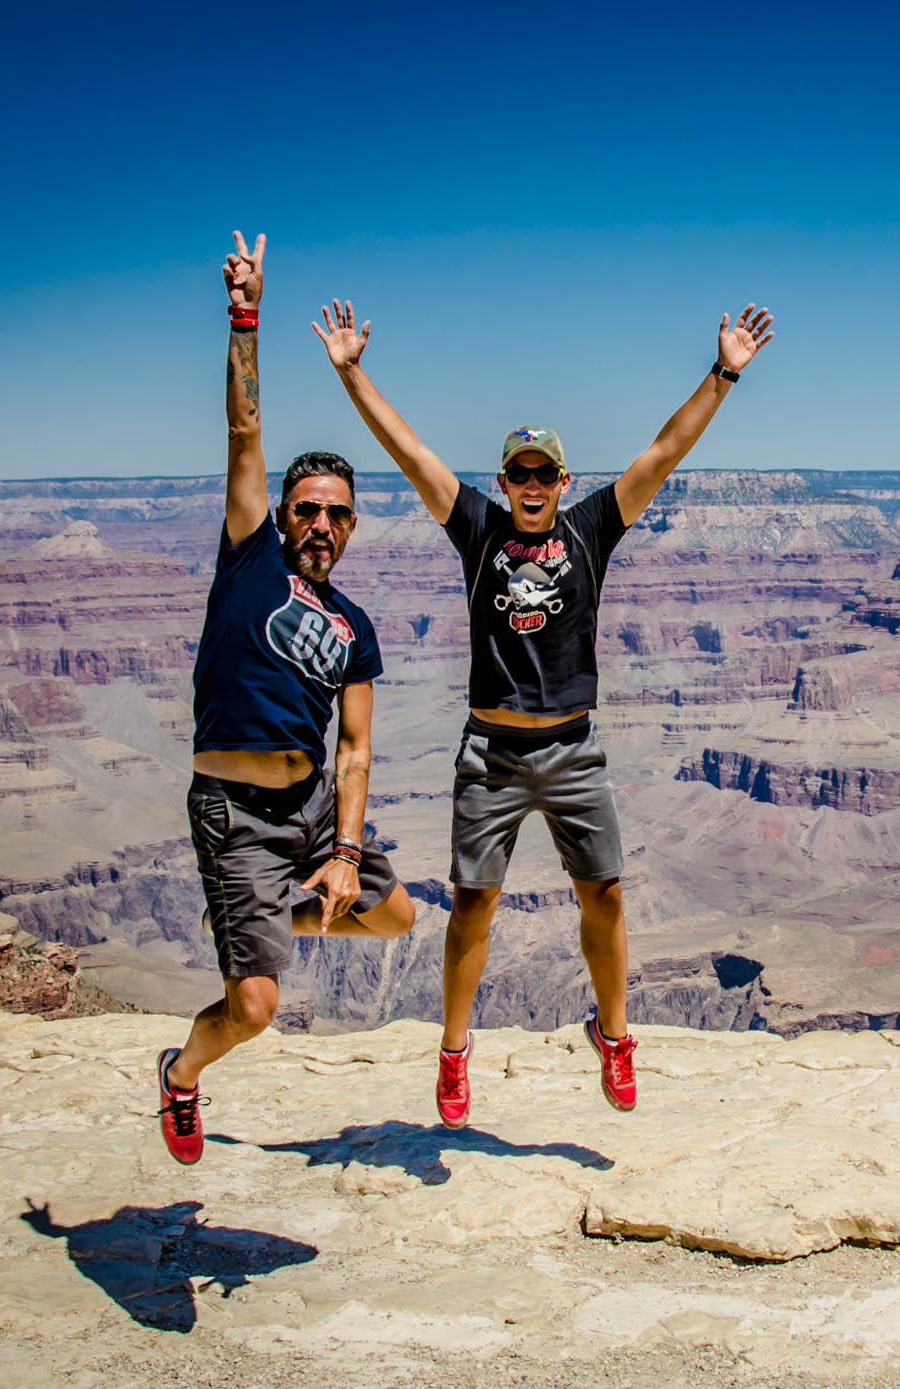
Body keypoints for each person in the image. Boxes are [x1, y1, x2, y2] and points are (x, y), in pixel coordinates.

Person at [313, 293, 774, 1121]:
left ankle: (616, 1034)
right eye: (517, 473)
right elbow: (409, 450)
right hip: (490, 755)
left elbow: (665, 451)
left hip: (572, 750)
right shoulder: (479, 528)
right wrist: (353, 373)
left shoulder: (595, 526)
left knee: (605, 894)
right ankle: (454, 1053)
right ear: (504, 482)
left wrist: (722, 375)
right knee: (475, 906)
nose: (530, 485)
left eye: (543, 473)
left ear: (564, 480)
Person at [155, 233, 417, 1165]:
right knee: (255, 1009)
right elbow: (243, 430)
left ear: (352, 523)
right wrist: (245, 314)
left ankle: (274, 913)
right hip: (234, 809)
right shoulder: (248, 552)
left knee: (395, 915)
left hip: (309, 808)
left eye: (336, 511)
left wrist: (345, 850)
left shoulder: (355, 626)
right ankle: (180, 1076)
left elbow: (355, 752)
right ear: (285, 513)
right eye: (305, 506)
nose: (318, 523)